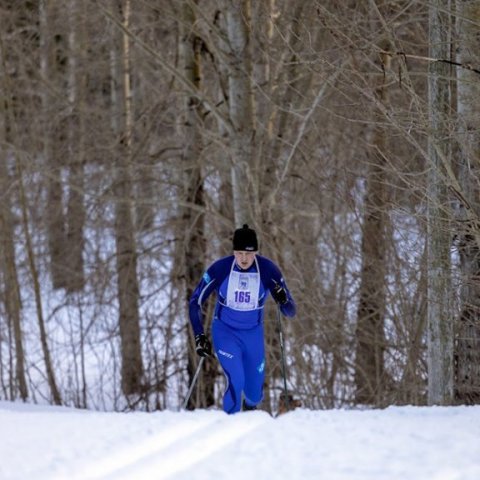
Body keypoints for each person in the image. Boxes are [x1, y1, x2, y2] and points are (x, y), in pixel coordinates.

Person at [188, 224, 296, 414]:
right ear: (233, 252)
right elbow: (195, 301)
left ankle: (249, 413)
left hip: (253, 334)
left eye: (248, 253)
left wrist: (283, 299)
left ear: (256, 252)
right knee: (236, 380)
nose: (244, 259)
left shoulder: (268, 270)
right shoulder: (220, 269)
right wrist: (199, 335)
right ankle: (231, 426)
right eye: (239, 253)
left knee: (254, 393)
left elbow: (290, 311)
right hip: (225, 332)